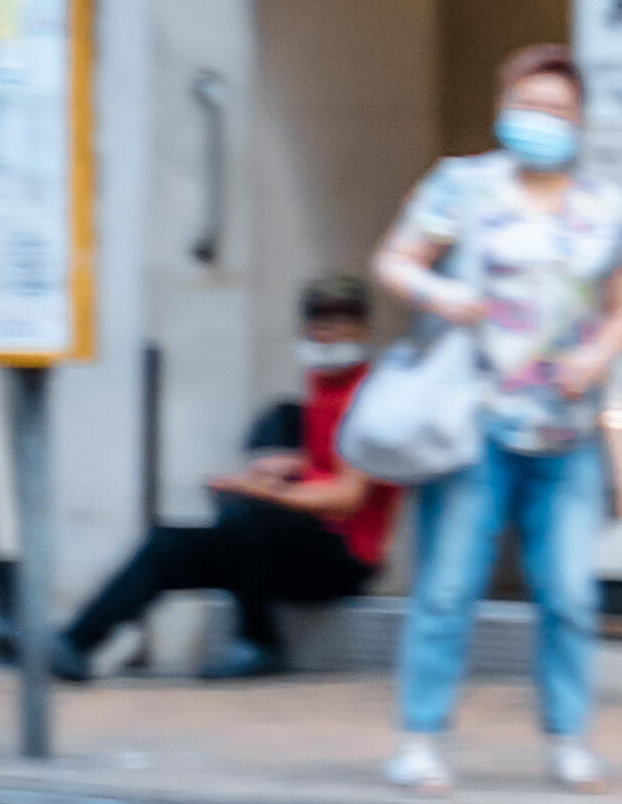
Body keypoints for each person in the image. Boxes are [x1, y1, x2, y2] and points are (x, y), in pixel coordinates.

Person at [374, 45, 622, 796]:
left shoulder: (604, 206)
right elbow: (395, 261)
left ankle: (570, 738)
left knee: (569, 593)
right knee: (448, 585)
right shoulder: (463, 185)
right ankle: (420, 737)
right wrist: (438, 295)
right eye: (528, 105)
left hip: (570, 427)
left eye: (557, 109)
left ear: (581, 119)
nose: (542, 121)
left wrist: (597, 358)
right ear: (502, 109)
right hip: (476, 420)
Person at [46, 275, 391, 681]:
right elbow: (336, 462)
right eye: (322, 318)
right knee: (170, 544)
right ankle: (74, 644)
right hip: (291, 549)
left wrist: (264, 489)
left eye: (343, 319)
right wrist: (293, 465)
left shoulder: (373, 397)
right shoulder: (321, 387)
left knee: (248, 514)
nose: (331, 329)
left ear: (363, 328)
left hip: (344, 559)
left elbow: (348, 498)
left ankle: (260, 643)